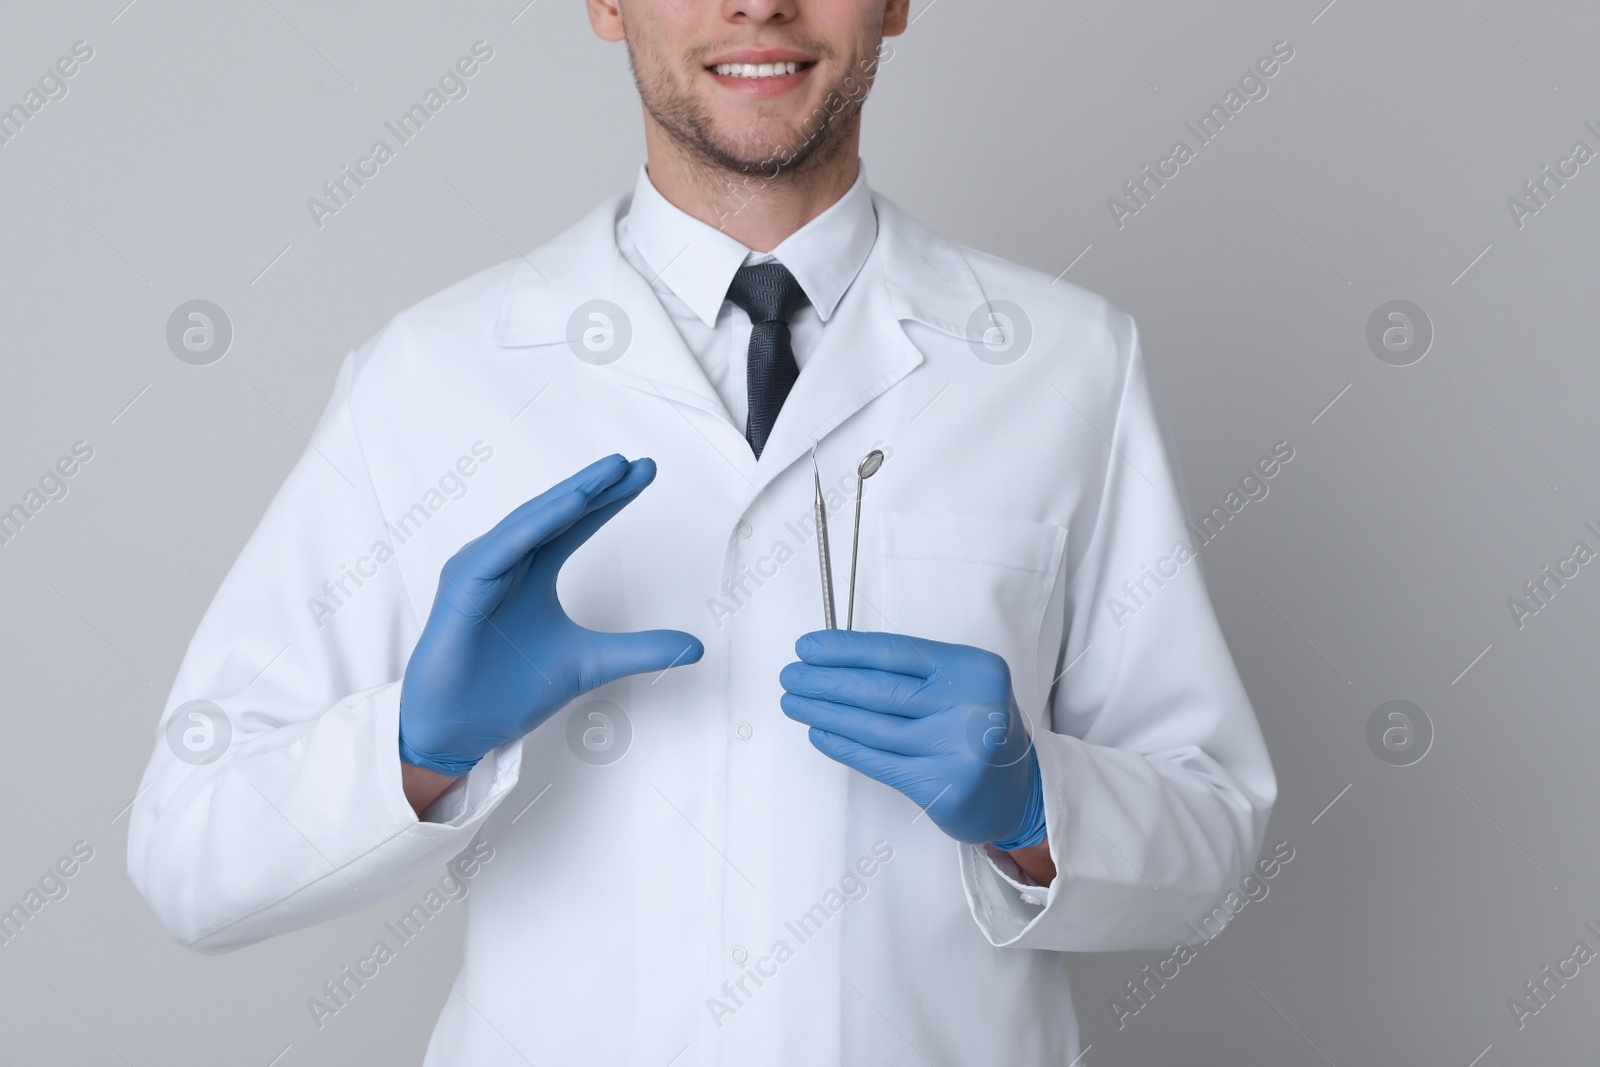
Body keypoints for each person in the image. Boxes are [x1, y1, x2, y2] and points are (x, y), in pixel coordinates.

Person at [129, 0, 1277, 1062]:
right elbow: (191, 853)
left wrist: (1038, 813)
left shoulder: (1063, 362)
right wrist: (416, 748)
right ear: (605, 2)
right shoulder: (437, 374)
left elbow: (1213, 839)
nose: (758, 4)